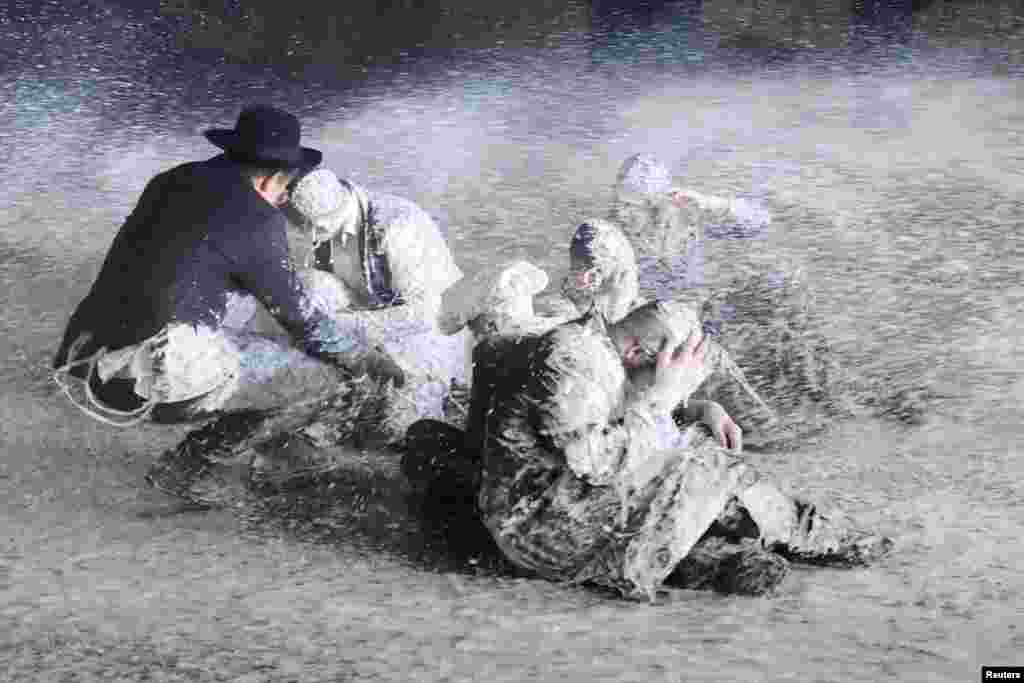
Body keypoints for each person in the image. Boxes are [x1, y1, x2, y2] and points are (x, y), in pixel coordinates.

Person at [410, 298, 890, 600]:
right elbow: (595, 463)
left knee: (694, 451)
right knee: (709, 466)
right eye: (673, 370)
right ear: (641, 353)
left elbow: (625, 416)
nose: (676, 387)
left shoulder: (606, 353)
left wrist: (697, 408)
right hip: (538, 526)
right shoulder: (571, 362)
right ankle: (818, 538)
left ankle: (725, 556)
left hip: (564, 502)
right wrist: (661, 401)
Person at [50, 105, 402, 493]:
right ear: (273, 179)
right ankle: (189, 468)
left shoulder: (169, 181)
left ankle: (237, 460)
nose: (283, 201)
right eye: (285, 190)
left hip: (84, 361)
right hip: (144, 378)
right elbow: (304, 322)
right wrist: (370, 360)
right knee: (326, 377)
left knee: (248, 345)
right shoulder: (255, 216)